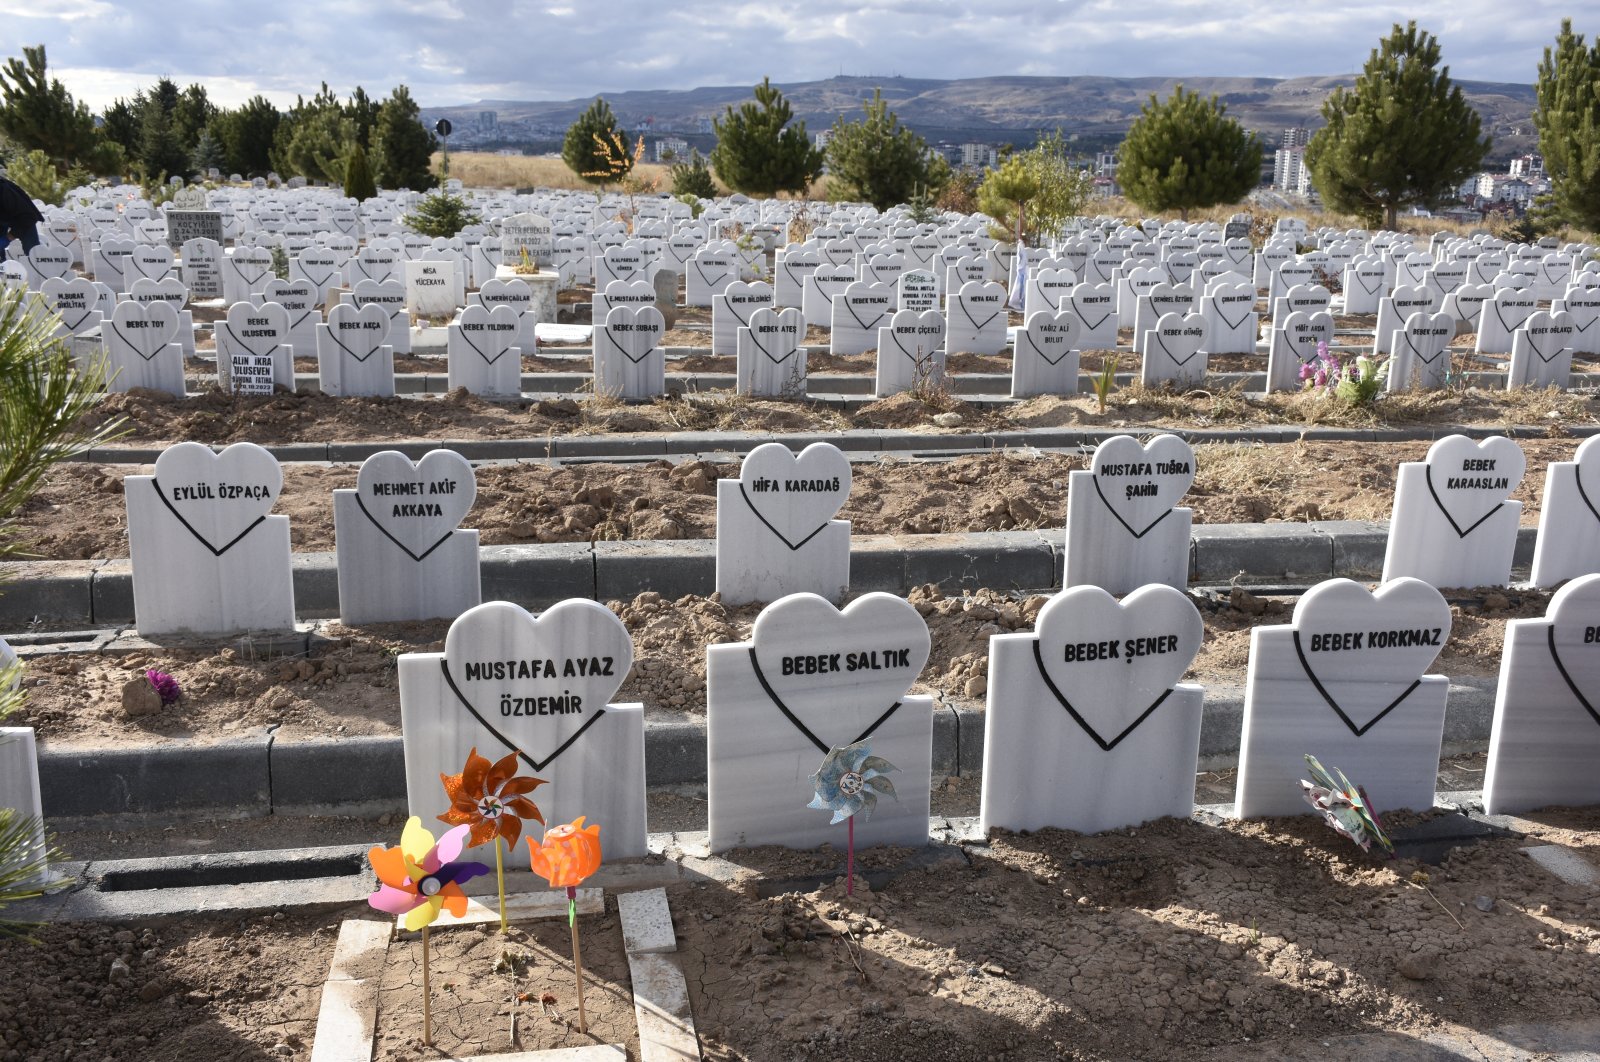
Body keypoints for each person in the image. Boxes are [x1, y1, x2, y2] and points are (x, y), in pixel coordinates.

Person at [0, 176, 45, 254]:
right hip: (3, 217)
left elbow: (28, 217)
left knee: (33, 254)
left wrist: (9, 237)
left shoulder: (4, 190)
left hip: (24, 217)